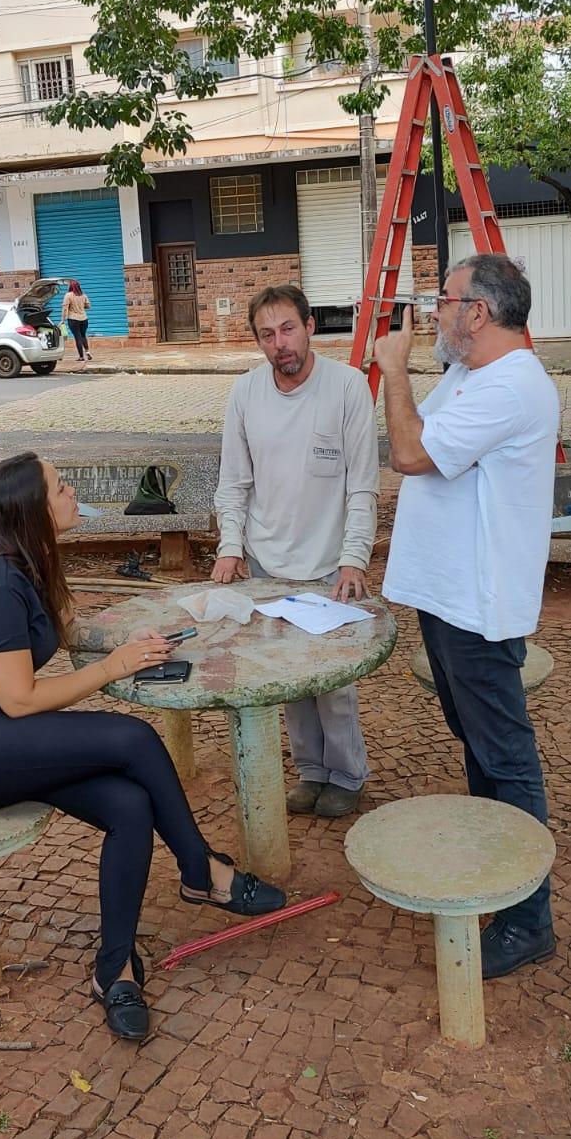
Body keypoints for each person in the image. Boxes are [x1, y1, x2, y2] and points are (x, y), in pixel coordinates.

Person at [0, 453, 285, 1041]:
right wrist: (114, 666)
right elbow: (21, 700)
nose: (72, 489)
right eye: (61, 486)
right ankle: (202, 872)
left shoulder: (28, 566)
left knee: (129, 806)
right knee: (131, 737)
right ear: (33, 510)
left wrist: (118, 639)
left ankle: (115, 970)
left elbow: (62, 634)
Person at [376, 254, 559, 979]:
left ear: (477, 313)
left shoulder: (512, 385)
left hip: (479, 608)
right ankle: (497, 869)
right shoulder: (472, 372)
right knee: (480, 751)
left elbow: (410, 452)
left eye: (443, 300)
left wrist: (395, 371)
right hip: (448, 599)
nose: (432, 313)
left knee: (506, 761)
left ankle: (527, 918)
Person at [212, 285, 379, 819]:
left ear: (310, 326)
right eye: (266, 334)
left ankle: (347, 774)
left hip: (329, 563)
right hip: (265, 563)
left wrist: (354, 558)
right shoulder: (245, 393)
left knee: (332, 681)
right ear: (257, 341)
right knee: (287, 674)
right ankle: (310, 771)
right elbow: (234, 482)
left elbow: (362, 486)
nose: (279, 343)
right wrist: (230, 547)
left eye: (287, 328)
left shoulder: (348, 388)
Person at [62, 280, 92, 362]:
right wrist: (81, 306)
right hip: (84, 319)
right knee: (83, 335)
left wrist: (62, 320)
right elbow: (88, 306)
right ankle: (87, 351)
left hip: (73, 319)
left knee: (77, 336)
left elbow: (65, 309)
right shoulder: (83, 295)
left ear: (70, 287)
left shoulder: (68, 295)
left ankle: (81, 357)